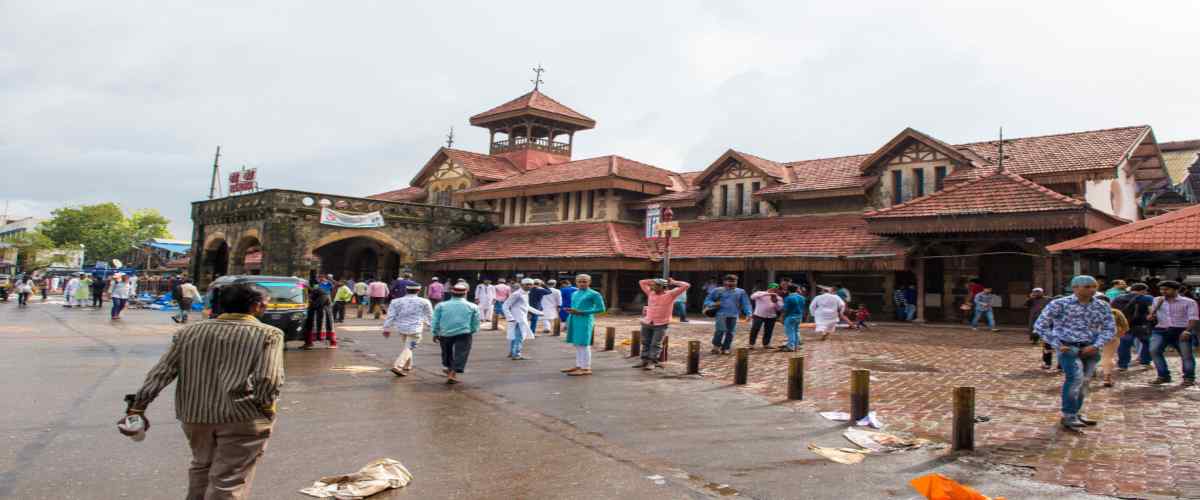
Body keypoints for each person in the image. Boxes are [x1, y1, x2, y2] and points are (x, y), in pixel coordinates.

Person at [123, 283, 283, 499]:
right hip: (242, 416)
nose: (266, 308)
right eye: (265, 304)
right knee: (229, 479)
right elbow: (268, 379)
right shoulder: (269, 334)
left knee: (202, 468)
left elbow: (161, 372)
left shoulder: (189, 332)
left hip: (195, 416)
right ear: (256, 306)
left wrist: (138, 407)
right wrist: (266, 408)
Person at [1033, 275, 1116, 431]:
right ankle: (1069, 415)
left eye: (1094, 286)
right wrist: (1057, 344)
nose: (1092, 289)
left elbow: (1110, 328)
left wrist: (1096, 345)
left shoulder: (1101, 305)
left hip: (1091, 348)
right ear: (1075, 288)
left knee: (1085, 381)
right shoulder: (1060, 304)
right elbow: (1040, 325)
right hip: (1068, 348)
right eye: (1087, 286)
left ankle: (1076, 413)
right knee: (1075, 379)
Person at [1146, 280, 1198, 386]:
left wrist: (1187, 331)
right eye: (1161, 289)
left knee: (1186, 355)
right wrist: (1151, 316)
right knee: (1154, 351)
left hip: (1181, 330)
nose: (1163, 291)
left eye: (1166, 289)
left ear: (1176, 290)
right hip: (1161, 329)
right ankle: (1163, 376)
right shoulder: (1157, 300)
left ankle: (1189, 378)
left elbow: (1193, 318)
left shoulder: (1189, 302)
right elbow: (1153, 315)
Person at [635, 278, 689, 370]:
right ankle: (644, 360)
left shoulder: (671, 294)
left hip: (661, 323)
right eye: (653, 284)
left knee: (656, 343)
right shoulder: (651, 293)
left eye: (656, 285)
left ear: (662, 287)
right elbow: (641, 282)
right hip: (647, 322)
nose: (652, 286)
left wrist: (673, 282)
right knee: (645, 342)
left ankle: (652, 361)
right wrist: (655, 280)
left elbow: (686, 285)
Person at [432, 282, 480, 384]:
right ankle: (452, 373)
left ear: (451, 293)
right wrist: (472, 330)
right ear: (465, 293)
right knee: (461, 353)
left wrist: (435, 332)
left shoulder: (441, 306)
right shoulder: (472, 306)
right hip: (464, 333)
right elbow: (475, 322)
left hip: (445, 333)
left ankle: (449, 369)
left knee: (446, 352)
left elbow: (435, 321)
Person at [383, 283, 433, 377]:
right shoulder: (424, 301)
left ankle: (408, 365)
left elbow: (391, 316)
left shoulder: (396, 301)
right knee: (409, 347)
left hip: (401, 329)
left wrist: (386, 328)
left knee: (407, 347)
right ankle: (398, 366)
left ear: (406, 290)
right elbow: (430, 316)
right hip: (415, 330)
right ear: (418, 290)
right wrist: (432, 328)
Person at [563, 274, 606, 376]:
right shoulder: (574, 293)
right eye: (580, 281)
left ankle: (586, 368)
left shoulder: (594, 294)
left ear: (589, 282)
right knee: (577, 343)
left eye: (584, 281)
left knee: (584, 344)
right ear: (576, 282)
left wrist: (582, 312)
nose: (582, 283)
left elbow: (601, 309)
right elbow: (574, 307)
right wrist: (568, 320)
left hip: (585, 320)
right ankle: (579, 365)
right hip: (574, 319)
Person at [703, 275, 752, 355]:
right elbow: (707, 300)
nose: (731, 283)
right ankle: (716, 347)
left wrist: (749, 313)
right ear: (724, 282)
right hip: (721, 314)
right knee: (720, 330)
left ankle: (726, 348)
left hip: (734, 315)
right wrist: (713, 304)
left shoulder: (741, 292)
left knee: (731, 332)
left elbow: (746, 303)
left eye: (733, 281)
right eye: (729, 281)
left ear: (736, 282)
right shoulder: (717, 290)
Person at [1112, 283, 1154, 370]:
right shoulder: (1147, 298)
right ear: (1143, 290)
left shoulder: (1119, 298)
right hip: (1141, 324)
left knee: (1124, 344)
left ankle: (1123, 365)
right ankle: (1145, 362)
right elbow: (1151, 311)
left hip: (1124, 324)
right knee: (1147, 342)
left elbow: (1113, 311)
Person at [502, 278, 542, 360]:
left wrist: (539, 312)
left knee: (515, 336)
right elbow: (505, 305)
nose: (529, 286)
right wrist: (510, 318)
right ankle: (516, 354)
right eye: (527, 284)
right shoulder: (517, 294)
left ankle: (512, 352)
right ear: (522, 285)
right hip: (517, 319)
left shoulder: (526, 294)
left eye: (530, 284)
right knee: (519, 337)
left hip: (521, 318)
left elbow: (526, 306)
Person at [1099, 295, 1129, 387]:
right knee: (1107, 356)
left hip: (1092, 336)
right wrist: (1118, 335)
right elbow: (1125, 326)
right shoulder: (1115, 312)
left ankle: (1088, 373)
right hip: (1111, 337)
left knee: (1091, 356)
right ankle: (1107, 378)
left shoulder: (1089, 311)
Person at [748, 284, 783, 348]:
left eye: (776, 290)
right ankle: (751, 344)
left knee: (768, 330)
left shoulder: (778, 297)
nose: (774, 291)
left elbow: (779, 308)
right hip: (758, 315)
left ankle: (766, 344)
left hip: (771, 316)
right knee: (755, 329)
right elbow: (752, 297)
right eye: (772, 289)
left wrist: (776, 302)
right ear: (769, 288)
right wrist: (767, 294)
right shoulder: (760, 293)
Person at [780, 285, 807, 352]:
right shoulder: (802, 297)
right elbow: (803, 307)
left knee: (790, 332)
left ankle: (790, 346)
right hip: (799, 316)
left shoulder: (788, 298)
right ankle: (796, 346)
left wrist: (782, 317)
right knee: (796, 331)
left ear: (788, 290)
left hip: (790, 316)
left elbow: (785, 309)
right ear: (796, 290)